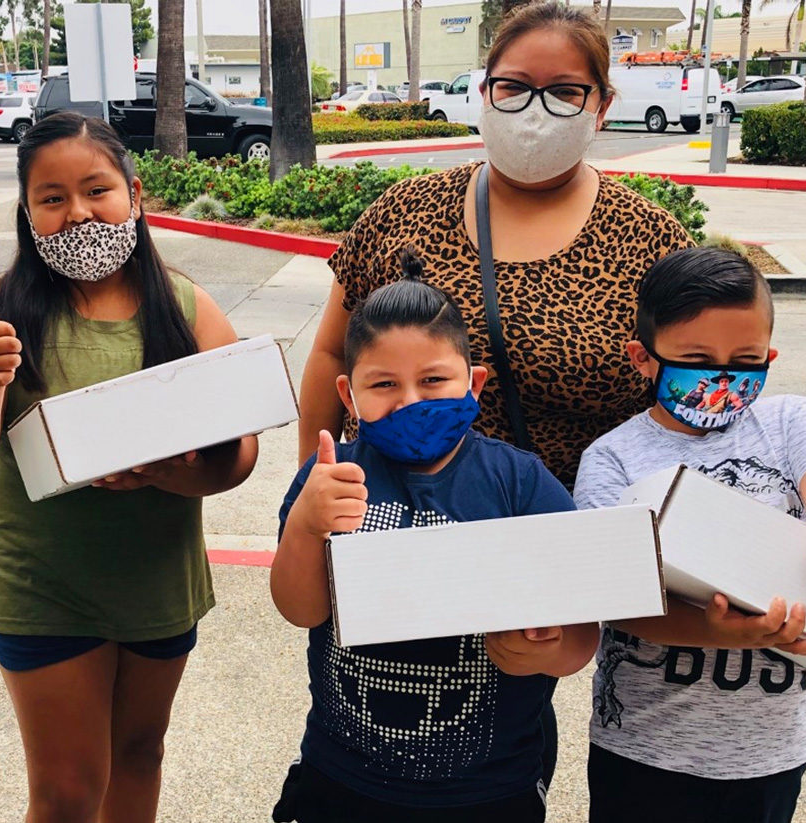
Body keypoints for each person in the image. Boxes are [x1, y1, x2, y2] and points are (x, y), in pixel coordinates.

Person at [0, 112, 259, 823]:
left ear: (135, 193)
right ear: (26, 213)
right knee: (66, 790)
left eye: (95, 189)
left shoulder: (185, 306)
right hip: (45, 586)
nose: (77, 212)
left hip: (157, 581)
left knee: (141, 754)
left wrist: (171, 473)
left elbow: (238, 455)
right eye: (50, 198)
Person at [298, 2, 694, 488]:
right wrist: (311, 488)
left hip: (570, 531)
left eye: (566, 92)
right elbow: (331, 355)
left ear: (602, 107)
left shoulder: (651, 239)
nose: (535, 109)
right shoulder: (404, 210)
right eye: (514, 86)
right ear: (485, 93)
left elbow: (693, 392)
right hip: (393, 520)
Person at [270, 251, 599, 823]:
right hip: (341, 774)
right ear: (349, 396)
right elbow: (300, 610)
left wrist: (544, 651)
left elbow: (580, 631)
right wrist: (305, 523)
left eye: (433, 381)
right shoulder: (329, 480)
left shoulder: (520, 483)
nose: (411, 402)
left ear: (473, 384)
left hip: (489, 788)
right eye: (384, 384)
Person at [575, 247, 806, 823]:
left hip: (771, 749)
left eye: (746, 358)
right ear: (643, 358)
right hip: (647, 745)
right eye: (698, 358)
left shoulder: (789, 424)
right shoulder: (612, 460)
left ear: (770, 355)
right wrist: (717, 631)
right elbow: (614, 602)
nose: (723, 376)